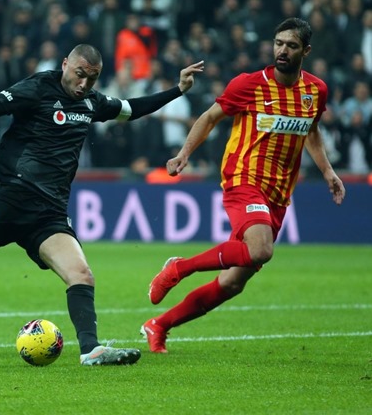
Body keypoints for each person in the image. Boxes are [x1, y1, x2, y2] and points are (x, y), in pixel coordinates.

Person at [0, 44, 204, 366]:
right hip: (12, 198)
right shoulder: (36, 89)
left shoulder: (91, 102)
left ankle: (91, 350)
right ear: (65, 64)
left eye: (92, 78)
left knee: (81, 274)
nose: (84, 84)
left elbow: (131, 109)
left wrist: (178, 90)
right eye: (79, 74)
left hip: (50, 211)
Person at [140, 18, 346, 353]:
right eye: (278, 43)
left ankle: (159, 325)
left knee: (234, 282)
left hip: (279, 193)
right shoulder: (249, 85)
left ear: (306, 51)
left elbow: (311, 130)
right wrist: (184, 153)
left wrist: (328, 172)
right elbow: (210, 117)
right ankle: (179, 267)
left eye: (291, 45)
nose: (282, 50)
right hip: (244, 179)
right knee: (261, 250)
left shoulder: (316, 90)